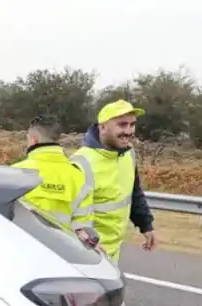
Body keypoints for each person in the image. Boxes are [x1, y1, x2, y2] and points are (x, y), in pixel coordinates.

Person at [70, 100, 157, 264]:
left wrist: (146, 226)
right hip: (85, 255)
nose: (129, 131)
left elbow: (133, 192)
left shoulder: (128, 153)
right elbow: (68, 214)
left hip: (113, 253)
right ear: (103, 127)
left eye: (132, 125)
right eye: (122, 125)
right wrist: (88, 245)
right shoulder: (81, 163)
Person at [11, 115, 95, 242]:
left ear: (34, 139)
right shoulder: (79, 177)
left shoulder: (14, 172)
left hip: (21, 249)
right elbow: (83, 229)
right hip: (60, 254)